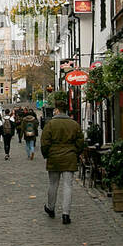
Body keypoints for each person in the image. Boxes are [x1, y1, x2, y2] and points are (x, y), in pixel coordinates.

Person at [41, 92, 85, 224]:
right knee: (68, 186)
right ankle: (66, 214)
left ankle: (51, 207)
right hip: (69, 156)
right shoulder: (74, 124)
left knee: (53, 184)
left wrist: (47, 154)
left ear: (57, 110)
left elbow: (45, 142)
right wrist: (75, 152)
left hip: (54, 157)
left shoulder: (50, 124)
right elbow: (80, 141)